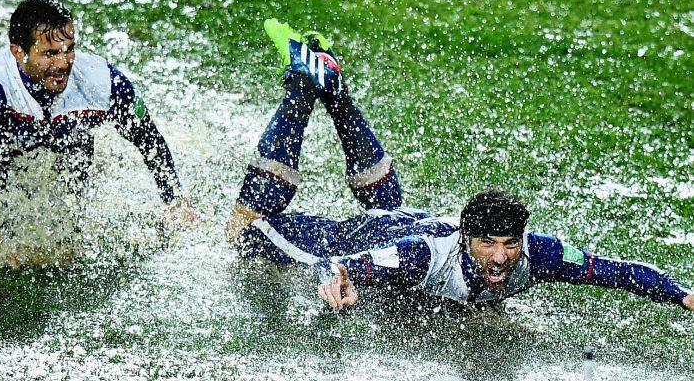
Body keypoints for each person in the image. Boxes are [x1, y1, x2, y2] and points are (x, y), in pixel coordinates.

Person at [228, 19, 694, 312]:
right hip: (362, 237)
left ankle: (329, 82)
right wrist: (334, 279)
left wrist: (683, 295)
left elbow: (622, 272)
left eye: (509, 244)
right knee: (244, 230)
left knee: (387, 206)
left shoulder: (541, 253)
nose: (500, 257)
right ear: (466, 236)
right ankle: (302, 87)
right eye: (488, 243)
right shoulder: (421, 258)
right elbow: (338, 263)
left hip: (400, 221)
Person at [0, 0, 194, 261]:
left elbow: (148, 138)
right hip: (5, 157)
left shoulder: (103, 80)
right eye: (50, 54)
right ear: (19, 52)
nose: (63, 64)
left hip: (65, 156)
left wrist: (175, 201)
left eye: (69, 49)